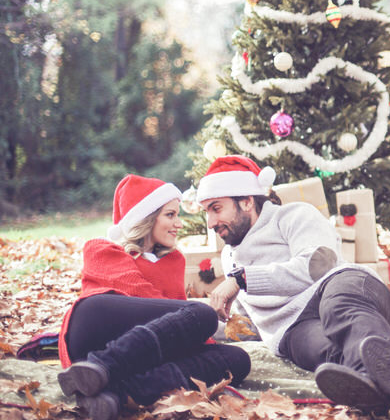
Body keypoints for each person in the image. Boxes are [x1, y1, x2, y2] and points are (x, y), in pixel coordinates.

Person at [199, 155, 390, 419]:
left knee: (341, 314)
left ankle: (372, 378)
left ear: (247, 201)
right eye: (207, 211)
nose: (211, 222)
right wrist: (194, 324)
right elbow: (242, 321)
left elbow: (317, 265)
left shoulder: (293, 215)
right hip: (292, 329)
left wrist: (242, 279)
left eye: (217, 208)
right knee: (327, 352)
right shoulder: (231, 258)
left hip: (341, 288)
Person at [56, 175, 251, 420]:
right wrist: (196, 323)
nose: (179, 224)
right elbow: (144, 297)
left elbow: (176, 325)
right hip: (94, 328)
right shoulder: (102, 248)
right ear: (144, 219)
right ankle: (99, 367)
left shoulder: (174, 260)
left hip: (141, 353)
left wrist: (203, 343)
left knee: (238, 359)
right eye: (170, 215)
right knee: (201, 315)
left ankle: (118, 394)